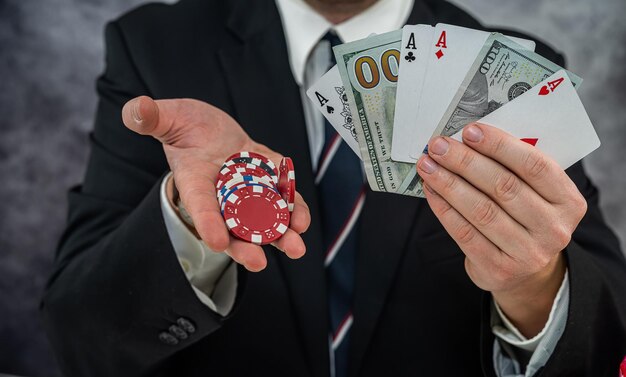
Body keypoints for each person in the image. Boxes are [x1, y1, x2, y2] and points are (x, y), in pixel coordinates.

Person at [41, 0, 626, 376]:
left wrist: (534, 284)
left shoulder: (517, 69)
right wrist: (191, 221)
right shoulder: (153, 47)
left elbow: (608, 341)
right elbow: (78, 339)